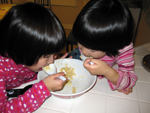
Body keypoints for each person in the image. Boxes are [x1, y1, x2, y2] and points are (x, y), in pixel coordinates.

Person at [0, 2, 68, 112]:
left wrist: (55, 64)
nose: (51, 61)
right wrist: (43, 89)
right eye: (46, 56)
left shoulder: (29, 56)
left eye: (53, 54)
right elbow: (3, 109)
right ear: (23, 51)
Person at [72, 0, 137, 94]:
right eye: (80, 45)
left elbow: (130, 79)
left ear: (111, 45)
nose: (84, 52)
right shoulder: (86, 45)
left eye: (92, 50)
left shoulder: (123, 49)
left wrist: (107, 72)